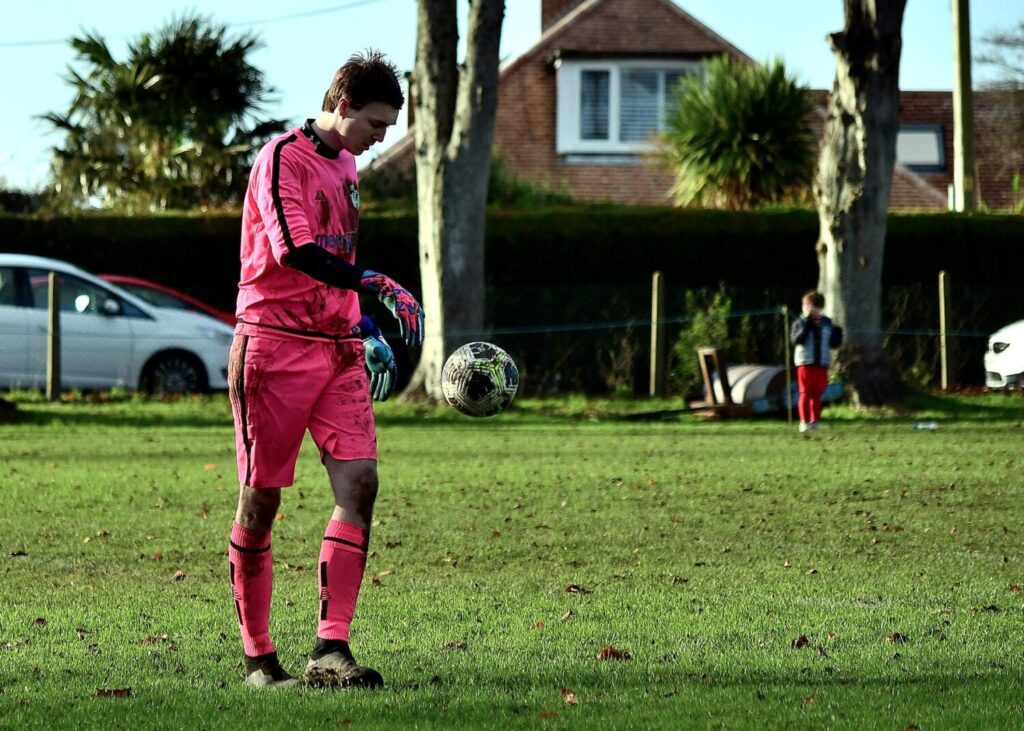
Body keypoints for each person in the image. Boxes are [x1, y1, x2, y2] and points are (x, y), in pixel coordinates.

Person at [227, 50, 424, 690]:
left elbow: (335, 255)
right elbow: (295, 250)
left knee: (360, 484)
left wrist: (361, 325)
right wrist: (373, 282)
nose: (378, 139)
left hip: (336, 349)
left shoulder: (346, 164)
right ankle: (259, 659)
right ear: (342, 106)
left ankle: (329, 649)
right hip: (273, 349)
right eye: (374, 124)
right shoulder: (282, 158)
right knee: (261, 502)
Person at [790, 290, 842, 433]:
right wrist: (807, 323)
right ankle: (803, 421)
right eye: (805, 306)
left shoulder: (826, 323)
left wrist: (838, 334)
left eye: (810, 306)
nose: (807, 309)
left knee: (817, 394)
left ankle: (814, 422)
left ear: (819, 308)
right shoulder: (799, 322)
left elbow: (833, 343)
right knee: (805, 393)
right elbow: (796, 340)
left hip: (822, 363)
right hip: (805, 362)